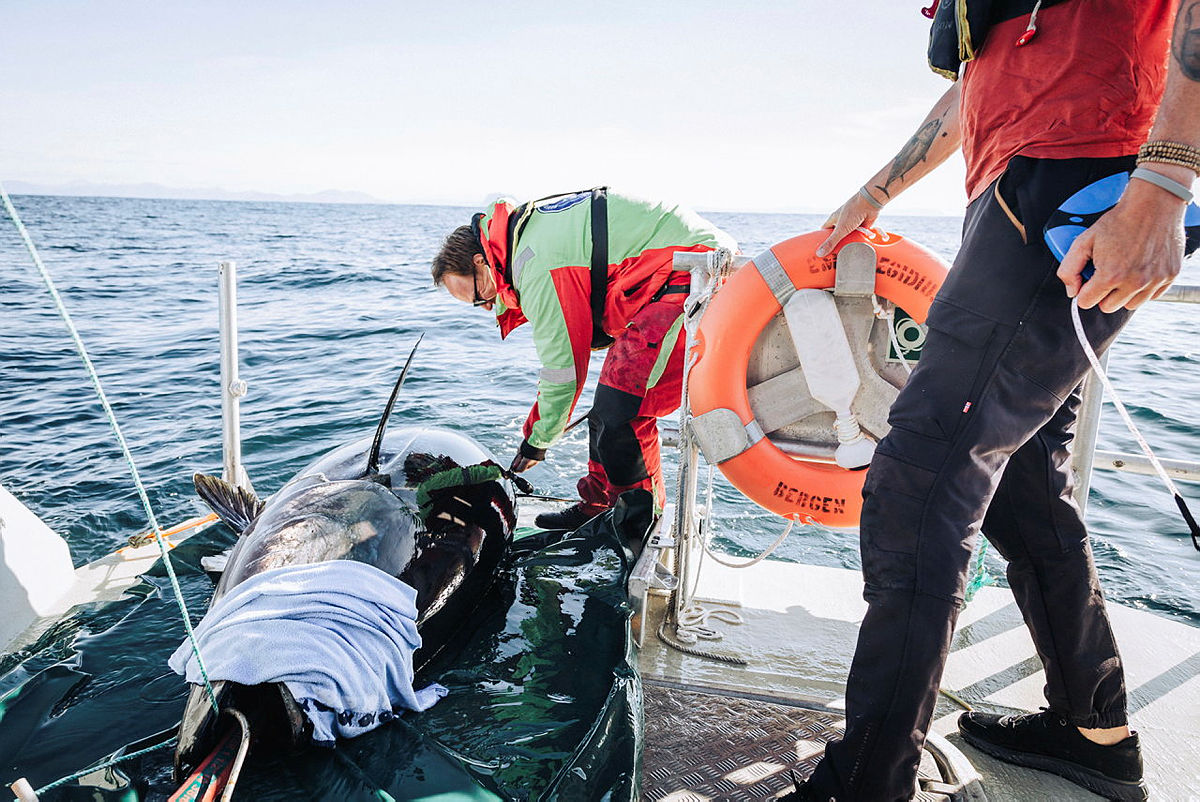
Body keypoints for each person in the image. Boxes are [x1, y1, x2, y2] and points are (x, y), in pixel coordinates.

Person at [782, 2, 1200, 800]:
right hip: (1017, 188)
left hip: (1086, 181)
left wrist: (1165, 180)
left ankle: (867, 783)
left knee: (921, 475)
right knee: (1023, 484)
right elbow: (977, 80)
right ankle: (1093, 730)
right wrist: (873, 193)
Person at [432, 189, 735, 531]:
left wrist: (536, 442)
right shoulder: (525, 239)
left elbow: (563, 374)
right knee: (605, 408)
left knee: (622, 411)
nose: (487, 307)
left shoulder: (533, 264)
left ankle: (638, 525)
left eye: (478, 297)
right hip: (666, 275)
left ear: (479, 262)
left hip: (694, 272)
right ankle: (600, 506)